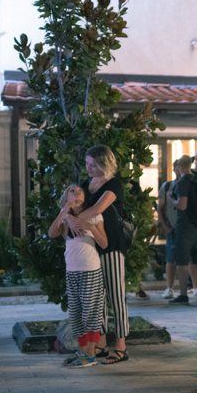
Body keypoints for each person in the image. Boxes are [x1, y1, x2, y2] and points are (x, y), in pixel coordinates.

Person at [67, 145, 129, 365]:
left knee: (116, 295)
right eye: (87, 163)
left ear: (105, 163)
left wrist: (73, 220)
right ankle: (100, 343)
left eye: (93, 164)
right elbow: (72, 205)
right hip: (91, 249)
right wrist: (68, 217)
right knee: (96, 300)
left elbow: (97, 209)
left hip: (111, 246)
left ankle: (121, 346)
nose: (89, 168)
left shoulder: (113, 184)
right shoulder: (86, 185)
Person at [50, 184, 107, 368]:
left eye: (79, 190)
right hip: (72, 271)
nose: (76, 192)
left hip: (90, 270)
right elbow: (52, 233)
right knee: (75, 315)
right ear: (66, 197)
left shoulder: (94, 215)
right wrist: (65, 212)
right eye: (71, 191)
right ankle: (82, 352)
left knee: (90, 314)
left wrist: (91, 227)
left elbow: (104, 243)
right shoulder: (66, 220)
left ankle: (90, 353)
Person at [171, 155, 197, 304]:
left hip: (185, 227)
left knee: (182, 262)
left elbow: (182, 205)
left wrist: (171, 200)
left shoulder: (182, 182)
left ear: (179, 166)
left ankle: (183, 294)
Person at [158, 160, 186, 299]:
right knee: (171, 258)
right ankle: (169, 288)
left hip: (188, 226)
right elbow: (160, 207)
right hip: (173, 226)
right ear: (174, 168)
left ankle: (195, 287)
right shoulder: (167, 186)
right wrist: (164, 225)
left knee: (191, 259)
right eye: (177, 167)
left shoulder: (189, 183)